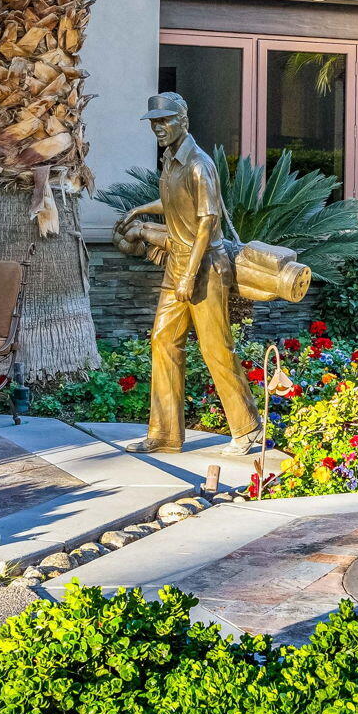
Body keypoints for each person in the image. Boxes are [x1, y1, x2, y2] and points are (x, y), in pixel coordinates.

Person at [115, 92, 262, 455]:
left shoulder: (198, 163)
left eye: (164, 120)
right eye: (154, 122)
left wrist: (188, 275)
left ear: (184, 121)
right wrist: (138, 209)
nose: (158, 127)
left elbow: (207, 222)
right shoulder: (171, 161)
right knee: (163, 341)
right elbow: (174, 202)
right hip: (180, 263)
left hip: (206, 267)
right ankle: (164, 434)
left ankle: (249, 431)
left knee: (216, 349)